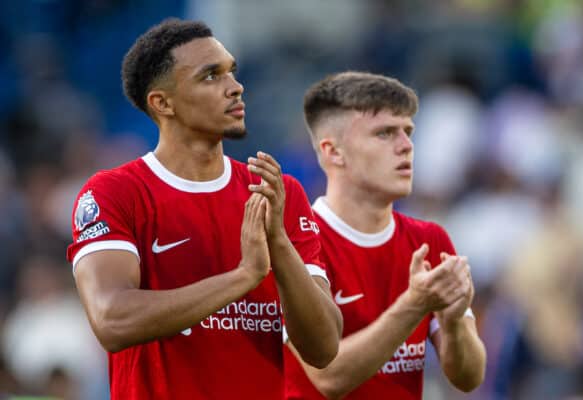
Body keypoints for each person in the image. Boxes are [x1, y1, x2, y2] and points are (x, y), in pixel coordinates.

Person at [66, 18, 342, 399]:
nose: (235, 87)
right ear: (163, 103)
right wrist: (243, 276)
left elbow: (324, 347)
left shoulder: (276, 192)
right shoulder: (116, 193)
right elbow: (112, 319)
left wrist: (278, 243)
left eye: (232, 71)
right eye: (211, 76)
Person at [284, 71, 486, 399]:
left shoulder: (430, 240)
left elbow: (468, 377)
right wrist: (414, 304)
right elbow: (328, 378)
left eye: (408, 132)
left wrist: (452, 323)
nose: (406, 147)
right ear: (333, 152)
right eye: (385, 134)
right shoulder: (291, 242)